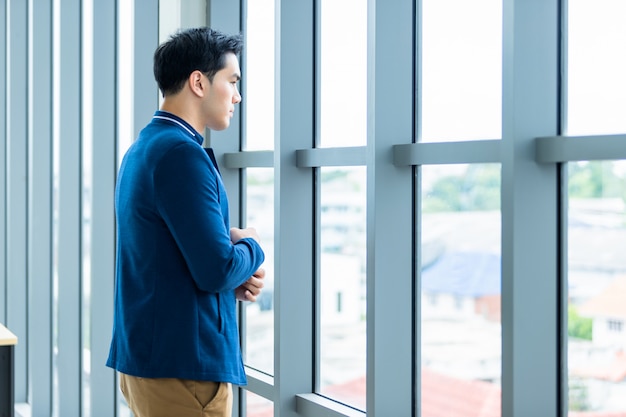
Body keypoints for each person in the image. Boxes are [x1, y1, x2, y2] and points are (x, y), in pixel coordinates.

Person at [106, 27, 265, 417]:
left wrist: (228, 266)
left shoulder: (144, 148)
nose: (238, 96)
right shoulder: (181, 154)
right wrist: (251, 245)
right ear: (198, 82)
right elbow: (216, 269)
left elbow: (164, 250)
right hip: (183, 371)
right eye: (232, 81)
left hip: (152, 360)